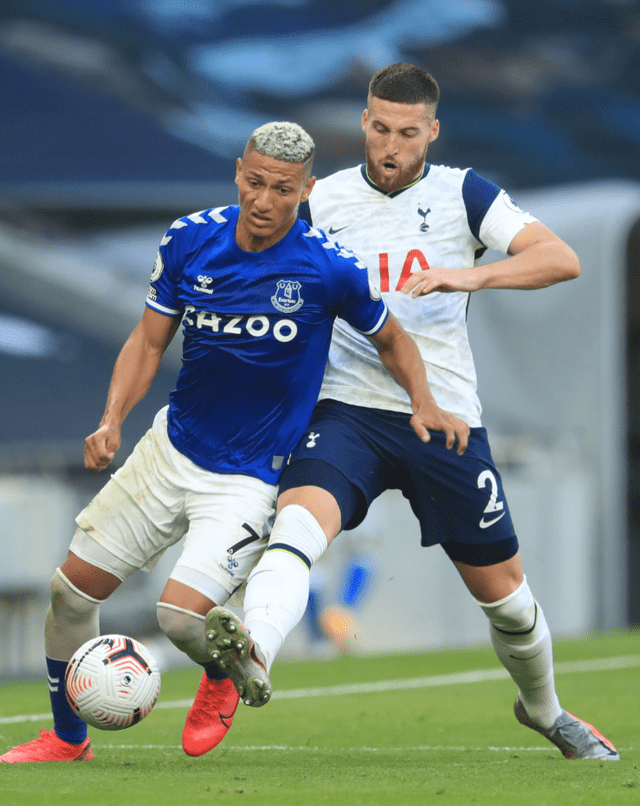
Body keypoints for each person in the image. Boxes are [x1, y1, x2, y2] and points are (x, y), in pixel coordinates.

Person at [0, 120, 469, 764]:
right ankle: (67, 737)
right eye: (253, 182)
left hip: (249, 477)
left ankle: (222, 673)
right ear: (238, 174)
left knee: (177, 618)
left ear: (304, 191)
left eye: (281, 188)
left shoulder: (328, 268)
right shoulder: (190, 239)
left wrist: (422, 401)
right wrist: (111, 419)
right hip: (169, 450)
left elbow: (393, 339)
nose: (262, 200)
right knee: (68, 595)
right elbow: (147, 341)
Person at [205, 64, 620, 761]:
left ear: (431, 132)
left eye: (405, 132)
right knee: (298, 526)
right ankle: (255, 654)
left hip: (444, 418)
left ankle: (545, 711)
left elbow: (561, 258)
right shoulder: (325, 201)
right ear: (364, 124)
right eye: (377, 128)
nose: (388, 146)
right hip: (349, 410)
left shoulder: (464, 194)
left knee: (509, 602)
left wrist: (472, 272)